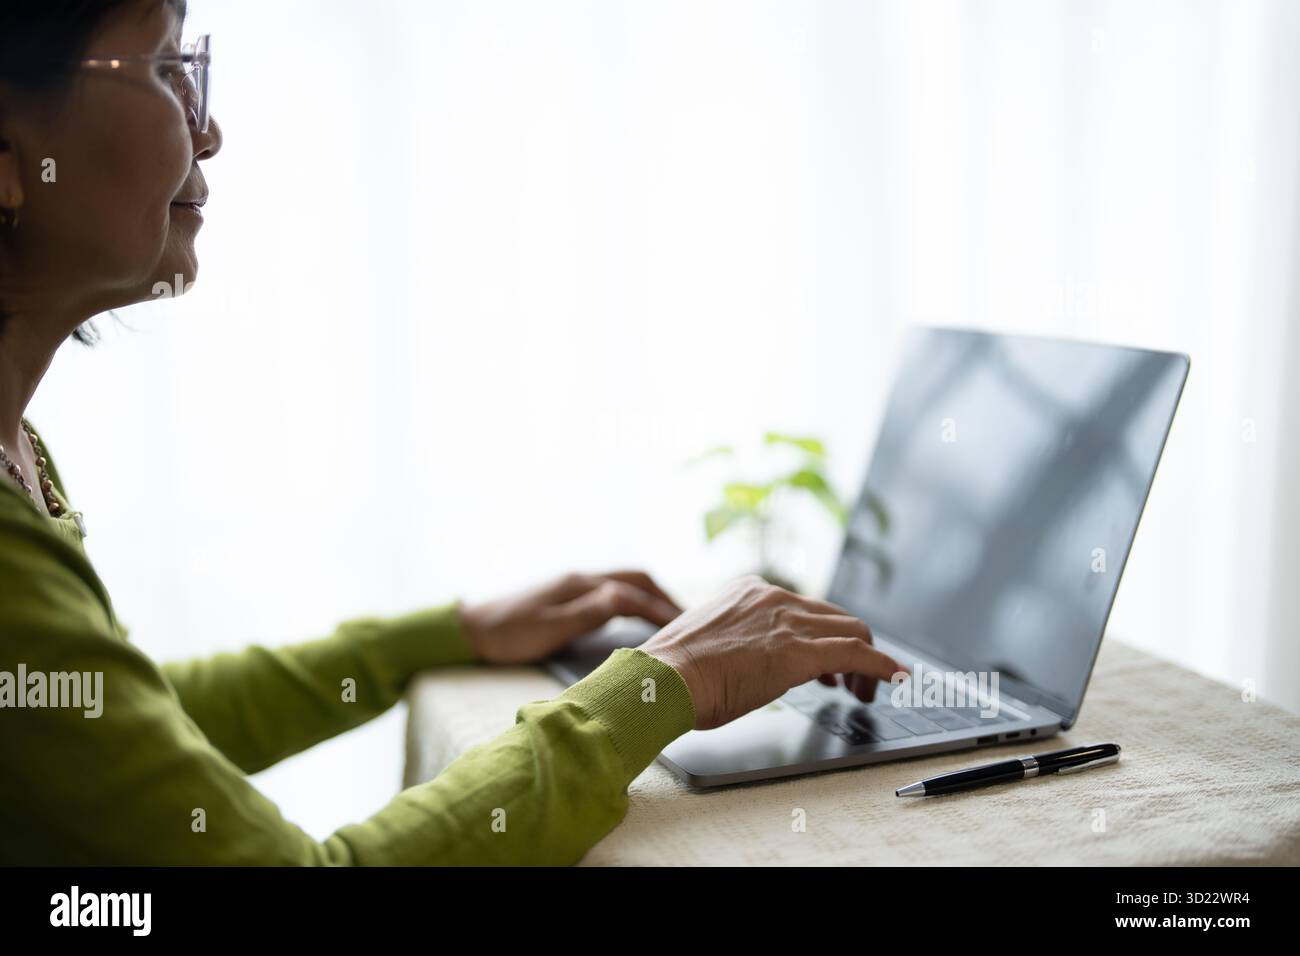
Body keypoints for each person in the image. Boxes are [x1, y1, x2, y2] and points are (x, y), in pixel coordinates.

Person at [0, 0, 907, 865]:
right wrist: (662, 684)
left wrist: (452, 633)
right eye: (165, 69)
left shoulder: (20, 450)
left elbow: (140, 725)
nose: (208, 130)